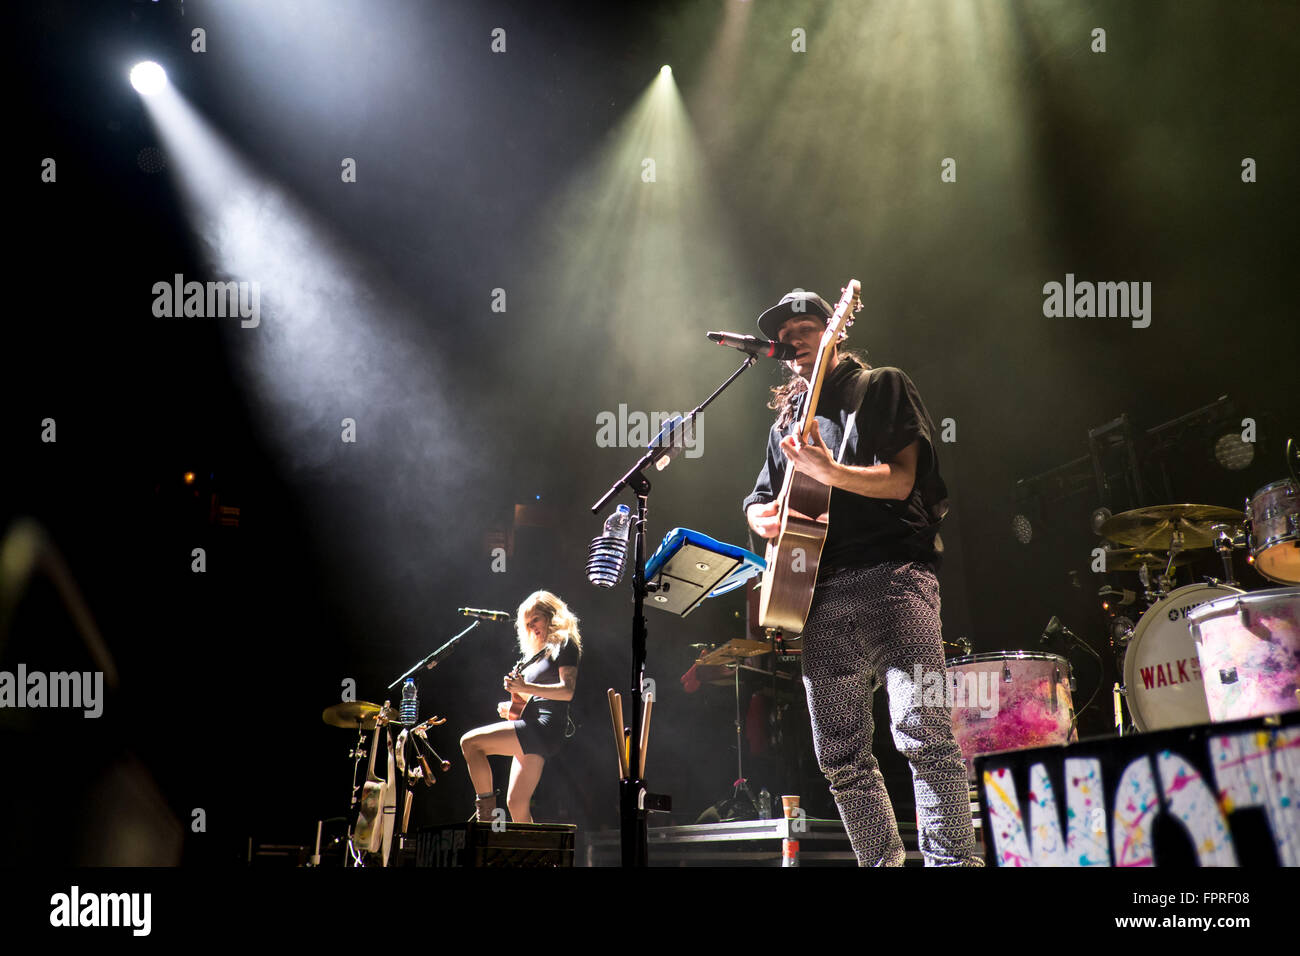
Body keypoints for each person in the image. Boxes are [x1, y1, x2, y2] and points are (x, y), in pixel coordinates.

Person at [742, 289, 980, 866]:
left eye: (805, 327)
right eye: (786, 332)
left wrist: (830, 470)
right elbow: (756, 499)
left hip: (895, 579)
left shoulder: (881, 386)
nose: (794, 339)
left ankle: (955, 864)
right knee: (841, 757)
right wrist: (764, 518)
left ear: (836, 330)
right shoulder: (790, 423)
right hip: (816, 594)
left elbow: (901, 481)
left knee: (924, 733)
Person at [459, 591, 581, 824]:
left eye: (535, 619)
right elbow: (532, 697)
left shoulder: (565, 643)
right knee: (516, 803)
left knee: (470, 743)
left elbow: (567, 691)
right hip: (536, 728)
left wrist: (526, 686)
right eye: (527, 623)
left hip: (544, 728)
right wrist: (513, 705)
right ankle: (533, 857)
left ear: (550, 615)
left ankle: (485, 817)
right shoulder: (537, 655)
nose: (531, 626)